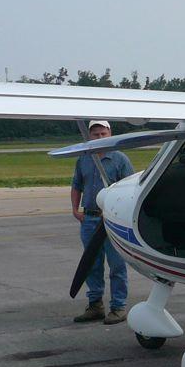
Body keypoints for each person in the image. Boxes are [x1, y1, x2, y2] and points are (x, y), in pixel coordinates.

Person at [71, 120, 135, 324]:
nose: (99, 137)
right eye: (95, 134)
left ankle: (118, 307)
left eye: (103, 134)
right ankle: (95, 305)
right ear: (89, 136)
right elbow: (77, 185)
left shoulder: (120, 159)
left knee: (117, 265)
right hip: (89, 218)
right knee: (92, 264)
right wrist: (75, 210)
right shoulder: (83, 159)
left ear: (110, 134)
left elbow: (131, 188)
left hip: (112, 219)